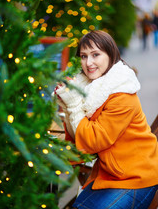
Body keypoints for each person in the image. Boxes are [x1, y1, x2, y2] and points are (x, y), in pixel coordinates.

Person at [53, 30, 158, 208]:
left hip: (135, 176)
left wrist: (73, 106)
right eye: (84, 56)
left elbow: (92, 141)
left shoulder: (121, 94)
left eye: (95, 55)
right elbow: (80, 137)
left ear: (110, 55)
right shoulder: (92, 88)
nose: (89, 63)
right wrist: (69, 106)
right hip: (109, 173)